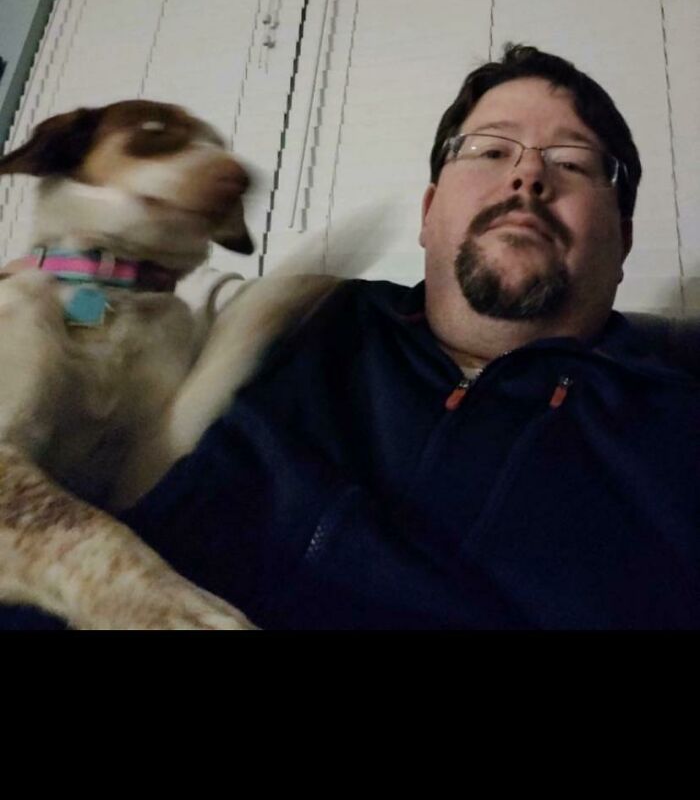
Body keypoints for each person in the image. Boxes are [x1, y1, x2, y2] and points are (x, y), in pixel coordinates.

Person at [4, 43, 700, 628]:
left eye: (573, 161)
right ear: (430, 212)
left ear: (624, 236)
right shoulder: (290, 321)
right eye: (489, 150)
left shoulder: (679, 424)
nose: (527, 173)